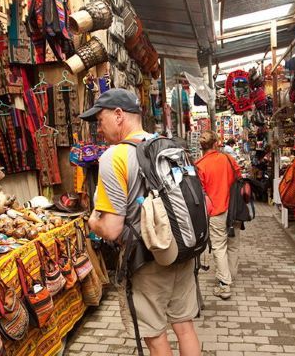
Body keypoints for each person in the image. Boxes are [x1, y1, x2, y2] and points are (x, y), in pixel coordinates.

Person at [81, 89, 201, 356]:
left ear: (119, 115)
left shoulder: (115, 157)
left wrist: (92, 222)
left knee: (155, 335)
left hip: (147, 259)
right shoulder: (168, 145)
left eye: (100, 120)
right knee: (184, 326)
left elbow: (112, 229)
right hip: (182, 247)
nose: (99, 128)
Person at [195, 130, 240, 300]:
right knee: (234, 243)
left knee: (219, 246)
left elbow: (201, 192)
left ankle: (225, 284)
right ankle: (230, 276)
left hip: (216, 211)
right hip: (235, 209)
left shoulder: (199, 165)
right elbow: (238, 177)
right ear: (215, 144)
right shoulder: (228, 159)